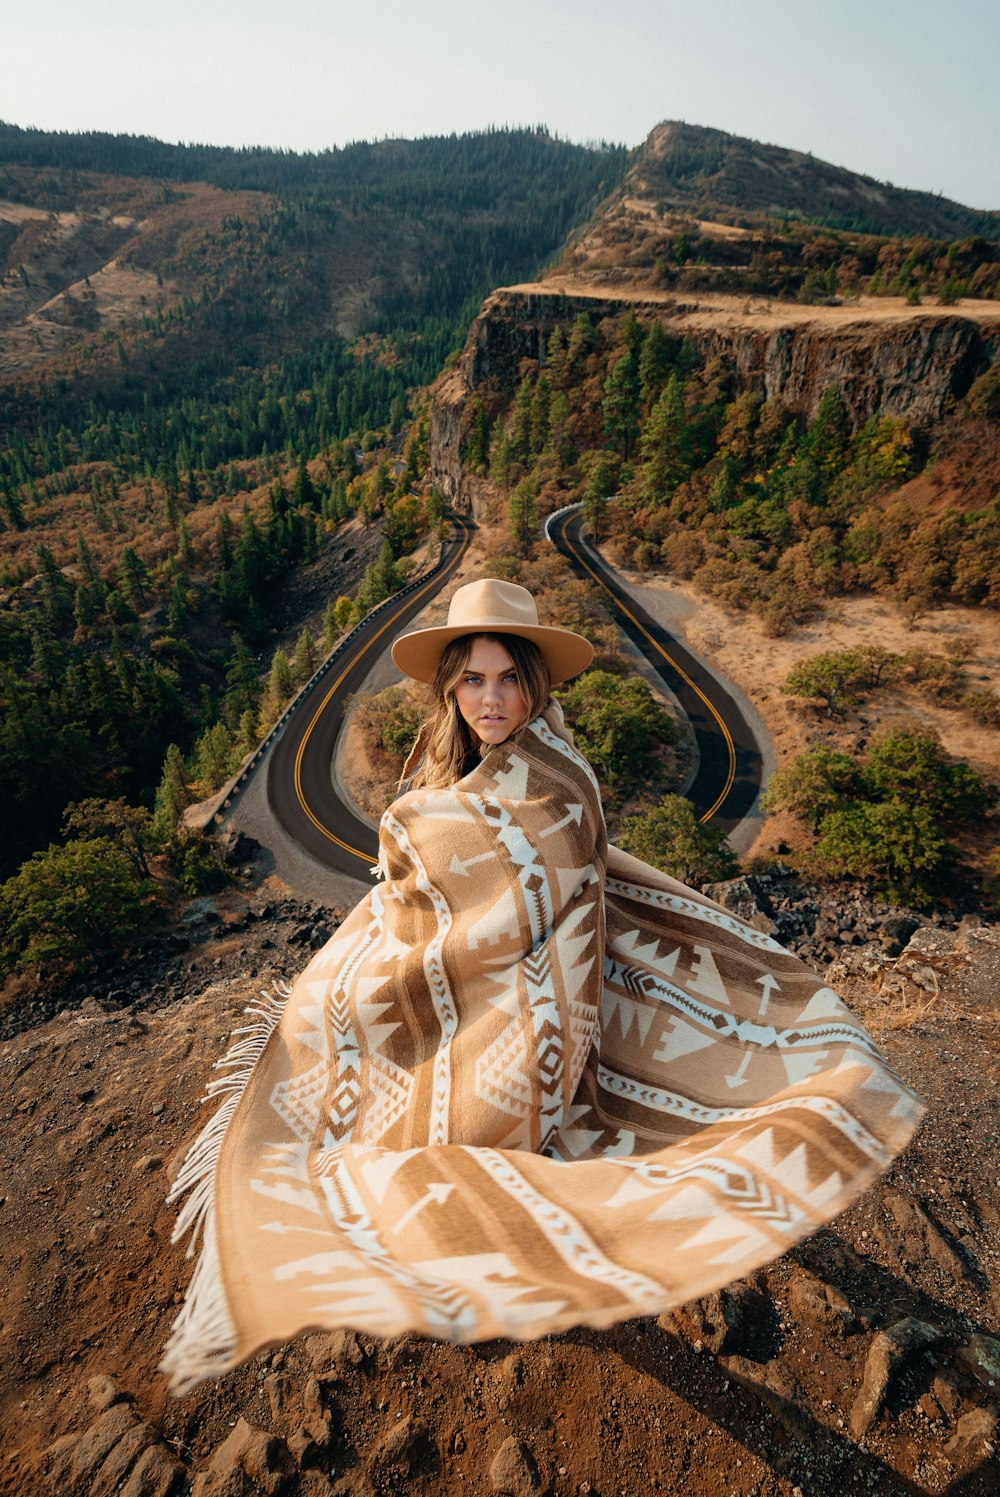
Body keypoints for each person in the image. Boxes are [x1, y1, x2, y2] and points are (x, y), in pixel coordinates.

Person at [163, 579, 924, 1395]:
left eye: (509, 679)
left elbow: (520, 896)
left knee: (480, 1092)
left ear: (536, 684)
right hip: (479, 961)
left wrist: (429, 861)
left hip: (551, 976)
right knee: (333, 1001)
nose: (492, 699)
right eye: (473, 680)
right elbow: (433, 885)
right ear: (450, 686)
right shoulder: (442, 755)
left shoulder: (558, 776)